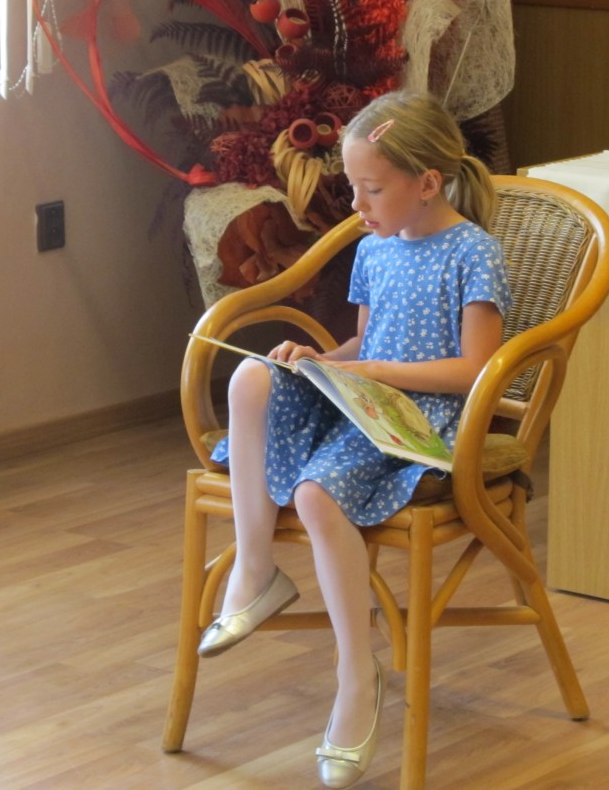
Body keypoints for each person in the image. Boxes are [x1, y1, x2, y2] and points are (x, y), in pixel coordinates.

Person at [198, 89, 513, 788]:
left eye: (372, 189)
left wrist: (368, 372)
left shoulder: (474, 253)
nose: (357, 205)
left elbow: (475, 370)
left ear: (427, 184)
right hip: (364, 402)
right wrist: (322, 362)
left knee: (316, 496)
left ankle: (355, 677)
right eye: (353, 187)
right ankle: (256, 571)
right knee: (252, 378)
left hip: (421, 424)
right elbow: (364, 346)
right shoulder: (374, 249)